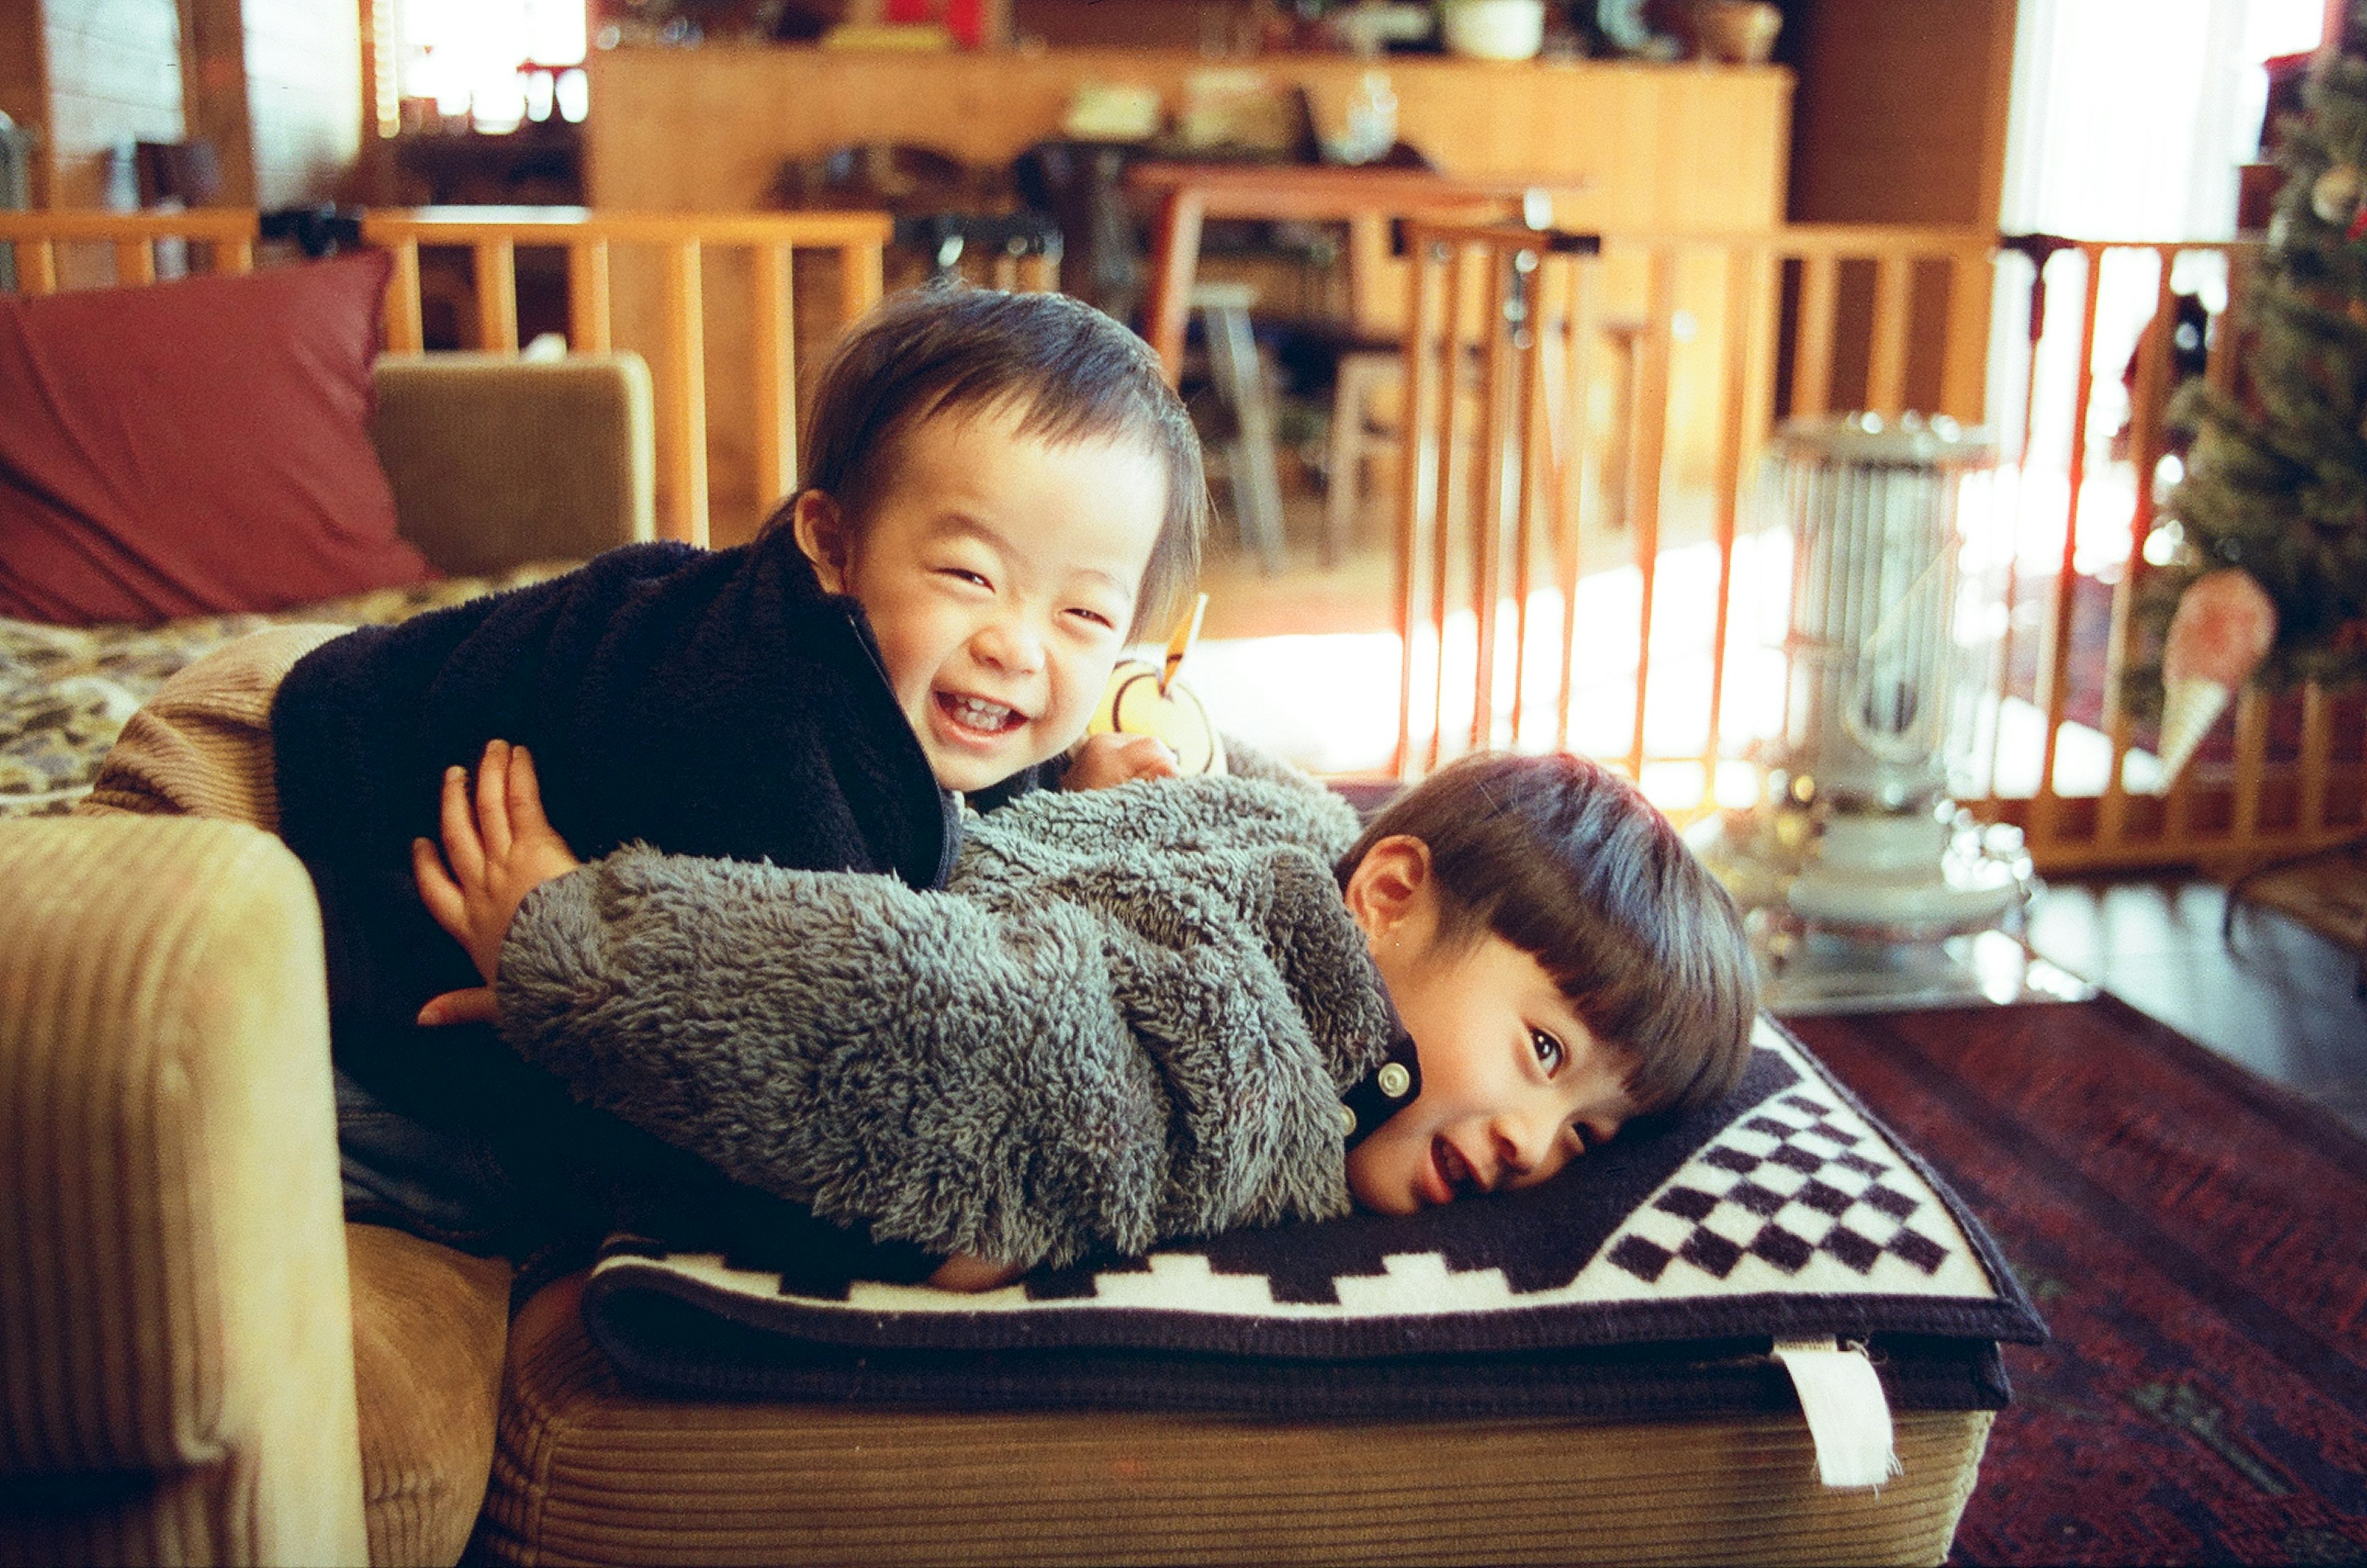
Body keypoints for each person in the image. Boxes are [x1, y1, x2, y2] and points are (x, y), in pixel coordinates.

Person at [248, 284, 1209, 1252]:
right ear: (832, 546)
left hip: (379, 722)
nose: (1018, 646)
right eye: (970, 575)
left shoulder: (903, 687)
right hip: (299, 815)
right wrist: (556, 947)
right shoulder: (766, 745)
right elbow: (795, 1098)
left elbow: (952, 763)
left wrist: (1063, 776)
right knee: (529, 1166)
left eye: (1083, 616)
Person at [414, 739, 1760, 1287]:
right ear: (1389, 892)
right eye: (1542, 1052)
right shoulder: (1251, 1072)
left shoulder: (1286, 1006)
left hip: (656, 993)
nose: (1535, 1142)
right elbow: (912, 1017)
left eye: (1586, 1133)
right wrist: (573, 938)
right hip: (503, 1063)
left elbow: (954, 997)